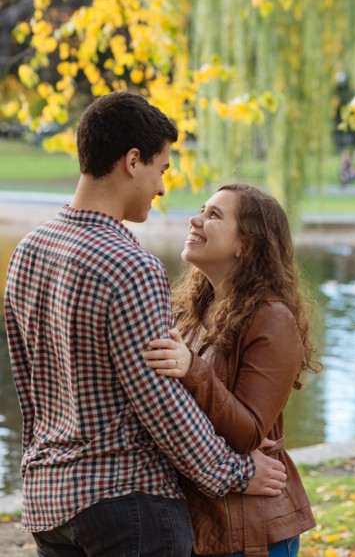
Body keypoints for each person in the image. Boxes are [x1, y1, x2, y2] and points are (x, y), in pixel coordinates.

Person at [3, 92, 286, 557]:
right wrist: (237, 473)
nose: (160, 187)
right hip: (127, 504)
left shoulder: (29, 251)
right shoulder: (131, 265)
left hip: (48, 502)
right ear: (133, 161)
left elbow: (28, 386)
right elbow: (160, 403)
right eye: (162, 169)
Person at [143, 184, 320, 557]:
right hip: (199, 519)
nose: (195, 220)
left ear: (246, 245)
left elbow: (249, 433)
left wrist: (194, 370)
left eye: (214, 215)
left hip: (249, 527)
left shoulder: (271, 318)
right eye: (202, 209)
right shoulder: (190, 312)